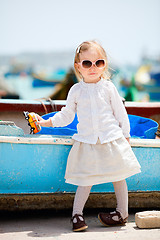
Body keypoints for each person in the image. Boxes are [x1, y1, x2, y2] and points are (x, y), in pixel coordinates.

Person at [34, 40, 141, 232]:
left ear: (104, 64)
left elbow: (120, 112)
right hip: (88, 141)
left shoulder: (108, 88)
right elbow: (66, 115)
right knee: (86, 179)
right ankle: (77, 214)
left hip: (111, 139)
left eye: (98, 62)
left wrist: (126, 136)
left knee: (119, 176)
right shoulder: (76, 91)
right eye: (87, 63)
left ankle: (122, 213)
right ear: (78, 66)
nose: (93, 67)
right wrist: (46, 122)